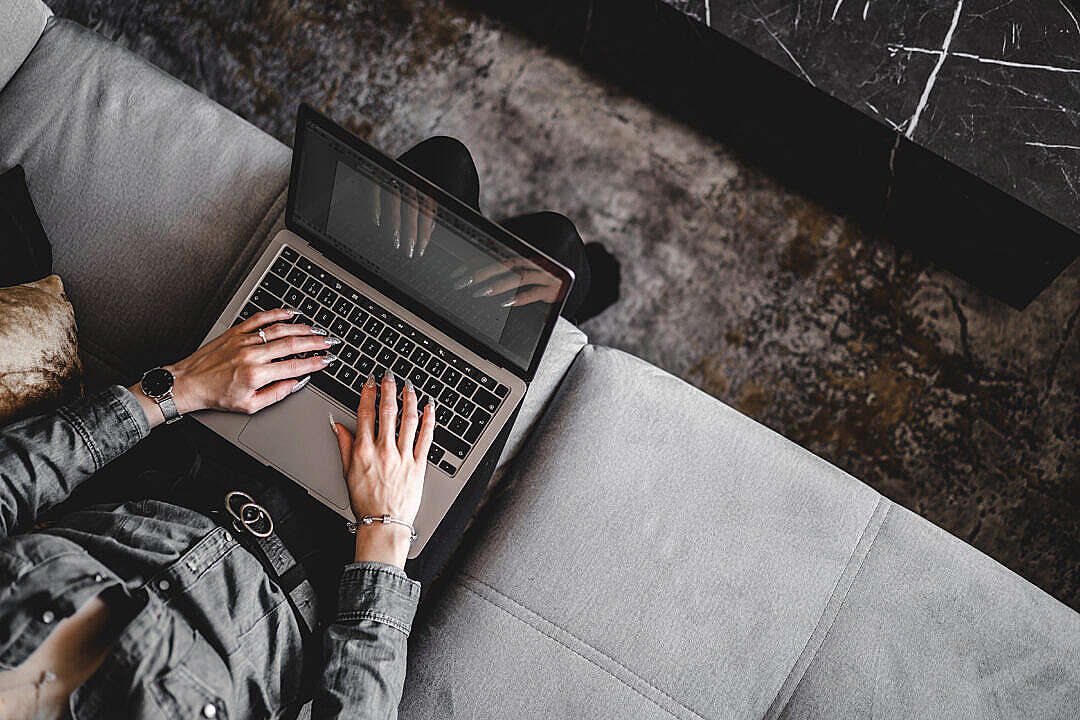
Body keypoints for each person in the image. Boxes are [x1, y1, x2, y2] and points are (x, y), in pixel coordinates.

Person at [0, 137, 619, 719]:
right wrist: (382, 531)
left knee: (438, 170)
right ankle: (574, 295)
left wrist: (174, 387)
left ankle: (554, 291)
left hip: (181, 456)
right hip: (331, 568)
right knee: (550, 251)